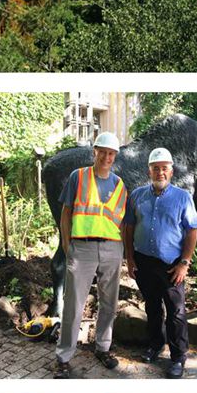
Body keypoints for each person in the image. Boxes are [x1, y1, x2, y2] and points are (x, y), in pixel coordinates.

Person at [54, 132, 127, 379]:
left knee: (109, 303)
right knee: (74, 304)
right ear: (94, 151)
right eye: (103, 152)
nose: (107, 157)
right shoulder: (79, 176)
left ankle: (103, 348)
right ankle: (64, 357)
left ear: (115, 156)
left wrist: (123, 253)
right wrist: (66, 244)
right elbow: (66, 213)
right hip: (82, 248)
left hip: (112, 248)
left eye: (111, 153)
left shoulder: (119, 184)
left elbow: (122, 222)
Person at [123, 148, 197, 379]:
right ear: (149, 171)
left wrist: (184, 263)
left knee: (176, 311)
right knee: (152, 307)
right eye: (155, 168)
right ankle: (155, 345)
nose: (160, 172)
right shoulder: (137, 195)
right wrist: (129, 257)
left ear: (171, 171)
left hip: (171, 264)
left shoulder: (183, 197)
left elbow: (192, 231)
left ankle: (178, 357)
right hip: (144, 261)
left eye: (164, 168)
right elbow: (128, 226)